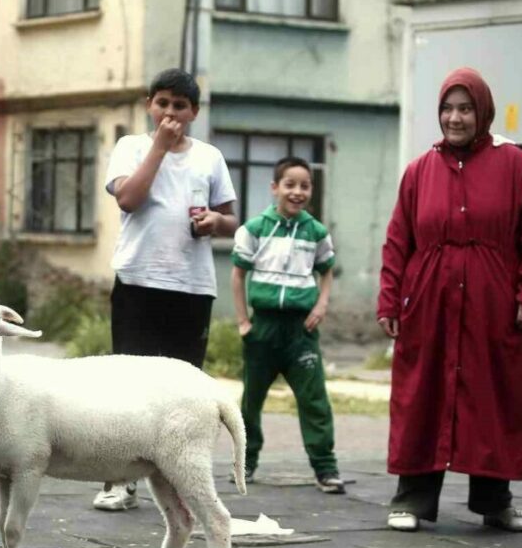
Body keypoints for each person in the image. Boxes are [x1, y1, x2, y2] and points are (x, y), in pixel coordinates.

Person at [378, 67, 522, 533]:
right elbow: (399, 240)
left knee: (494, 394)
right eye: (447, 108)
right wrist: (390, 300)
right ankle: (412, 498)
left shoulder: (516, 166)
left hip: (494, 303)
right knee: (424, 394)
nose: (454, 118)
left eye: (465, 108)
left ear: (483, 112)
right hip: (429, 302)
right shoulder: (419, 171)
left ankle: (495, 500)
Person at [96, 67, 238, 511]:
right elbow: (128, 199)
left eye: (180, 105)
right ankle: (119, 479)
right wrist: (158, 148)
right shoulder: (132, 147)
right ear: (148, 106)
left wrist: (217, 223)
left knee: (183, 388)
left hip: (192, 286)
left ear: (194, 111)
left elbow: (232, 218)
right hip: (139, 279)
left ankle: (177, 474)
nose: (170, 113)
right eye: (163, 103)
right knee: (128, 385)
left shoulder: (209, 157)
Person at [231, 157, 345, 494]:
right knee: (251, 400)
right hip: (262, 329)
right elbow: (238, 276)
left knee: (314, 399)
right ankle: (246, 463)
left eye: (305, 186)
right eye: (290, 184)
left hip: (300, 332)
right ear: (275, 188)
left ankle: (325, 468)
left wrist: (322, 305)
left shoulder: (316, 232)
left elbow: (326, 272)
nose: (297, 192)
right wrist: (243, 322)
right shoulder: (254, 229)